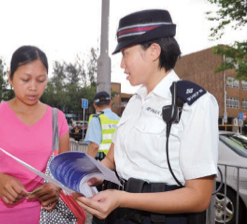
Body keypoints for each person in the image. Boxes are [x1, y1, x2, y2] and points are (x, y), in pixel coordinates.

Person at [76, 9, 219, 224]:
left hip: (159, 218)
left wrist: (123, 198)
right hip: (115, 211)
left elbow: (198, 197)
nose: (122, 65)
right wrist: (90, 176)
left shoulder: (194, 103)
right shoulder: (134, 102)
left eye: (125, 54)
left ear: (153, 51)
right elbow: (111, 160)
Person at [0, 45, 70, 223]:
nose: (33, 87)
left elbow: (65, 171)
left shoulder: (57, 119)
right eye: (25, 79)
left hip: (43, 216)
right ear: (10, 77)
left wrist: (56, 186)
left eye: (40, 80)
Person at [84, 91, 120, 161]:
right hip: (118, 162)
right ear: (110, 102)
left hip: (103, 163)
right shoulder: (119, 119)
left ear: (95, 105)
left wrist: (86, 165)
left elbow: (94, 146)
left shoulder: (96, 119)